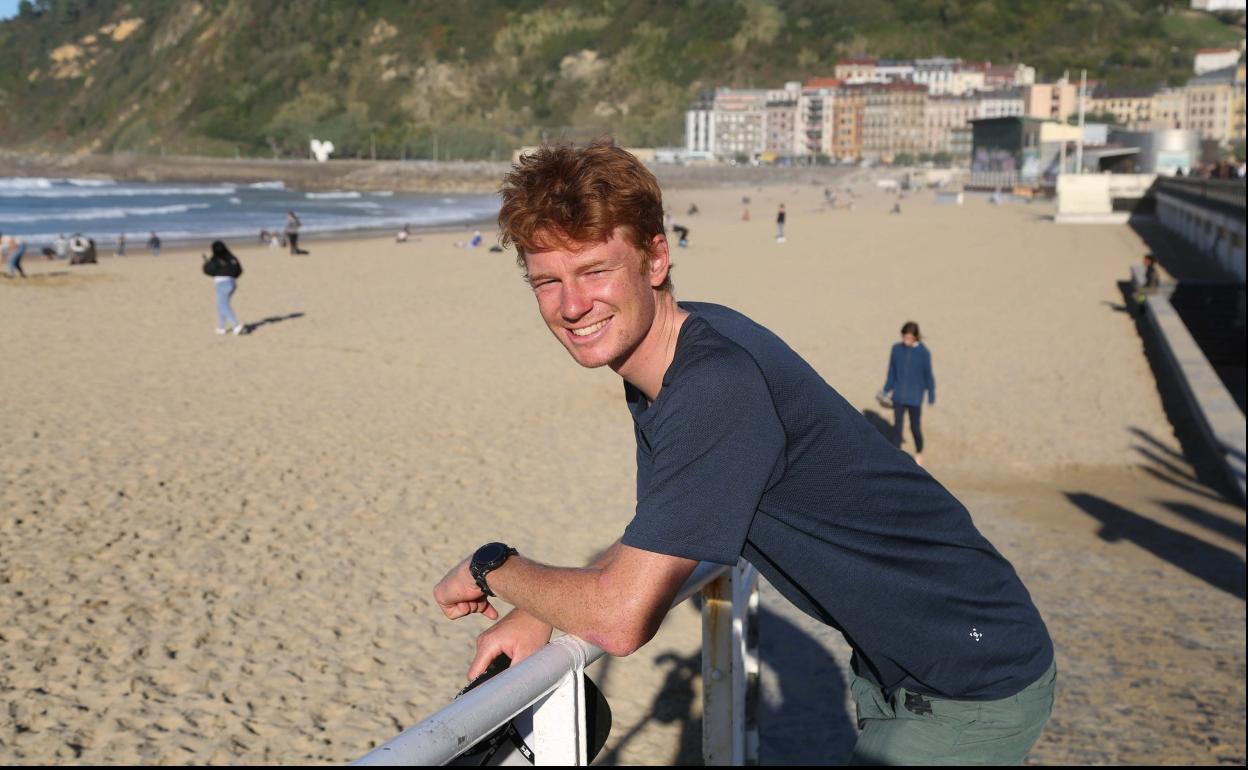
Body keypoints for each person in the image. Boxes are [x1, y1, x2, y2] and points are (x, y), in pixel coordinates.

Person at [433, 142, 1055, 765]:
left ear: (656, 257)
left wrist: (493, 566)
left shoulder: (713, 386)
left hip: (968, 675)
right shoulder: (682, 349)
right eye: (548, 281)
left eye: (595, 270)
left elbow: (622, 619)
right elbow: (666, 529)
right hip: (907, 667)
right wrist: (538, 609)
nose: (572, 306)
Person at [883, 321, 935, 467]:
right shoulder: (896, 349)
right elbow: (891, 372)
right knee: (897, 428)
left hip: (915, 398)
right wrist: (886, 390)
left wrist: (931, 395)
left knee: (915, 428)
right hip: (898, 396)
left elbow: (928, 375)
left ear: (916, 337)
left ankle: (919, 451)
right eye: (904, 337)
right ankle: (896, 457)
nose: (906, 340)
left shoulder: (924, 353)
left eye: (909, 338)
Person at [202, 240, 245, 335]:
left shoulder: (215, 259)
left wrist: (206, 264)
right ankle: (221, 327)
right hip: (232, 283)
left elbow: (209, 271)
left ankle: (236, 325)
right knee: (222, 304)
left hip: (221, 284)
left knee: (223, 305)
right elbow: (239, 270)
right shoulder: (232, 258)